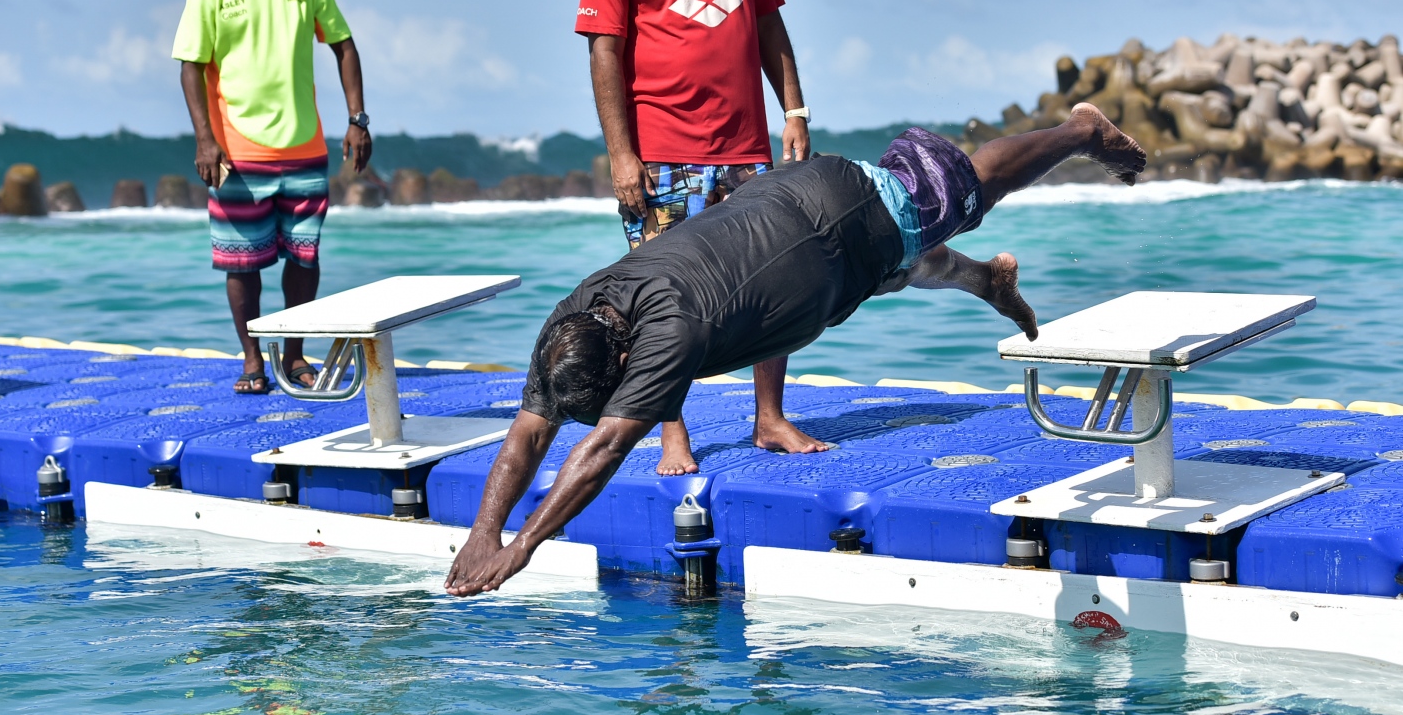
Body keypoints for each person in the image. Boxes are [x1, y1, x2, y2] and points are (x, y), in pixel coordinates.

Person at [444, 104, 1146, 596]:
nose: (600, 412)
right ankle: (985, 281)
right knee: (896, 266)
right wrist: (482, 531)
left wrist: (520, 547)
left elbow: (600, 452)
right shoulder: (573, 321)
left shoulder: (666, 332)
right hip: (804, 238)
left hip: (836, 213)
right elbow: (526, 437)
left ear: (625, 362)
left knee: (956, 193)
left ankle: (1078, 130)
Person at [576, 0, 820, 474]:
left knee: (778, 281)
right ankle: (671, 432)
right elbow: (605, 53)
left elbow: (768, 24)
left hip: (744, 148)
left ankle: (769, 418)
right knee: (664, 301)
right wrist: (622, 154)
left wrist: (793, 110)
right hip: (661, 155)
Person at [172, 0, 372, 394]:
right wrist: (204, 139)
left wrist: (357, 118)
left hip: (304, 149)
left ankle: (297, 356)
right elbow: (191, 68)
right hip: (235, 154)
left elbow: (344, 46)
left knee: (304, 258)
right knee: (244, 264)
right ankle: (252, 360)